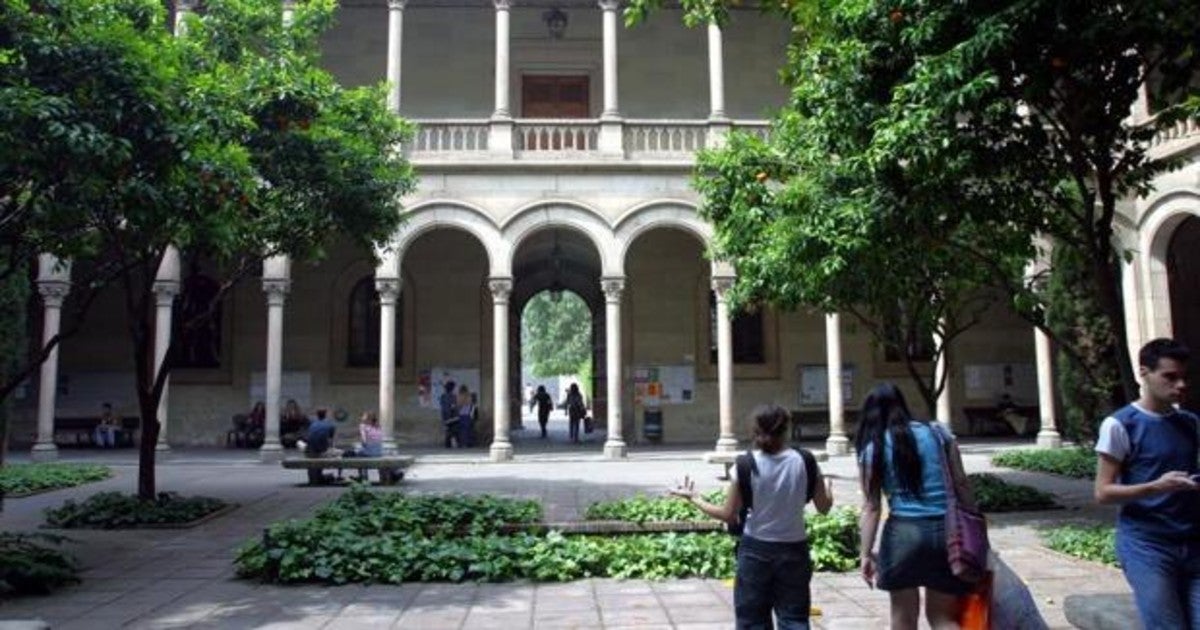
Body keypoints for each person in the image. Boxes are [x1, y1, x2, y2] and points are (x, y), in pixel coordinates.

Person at [670, 404, 833, 629]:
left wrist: (695, 498)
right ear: (786, 429)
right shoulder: (805, 461)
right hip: (794, 550)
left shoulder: (745, 465)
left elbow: (728, 515)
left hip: (755, 550)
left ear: (755, 431)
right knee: (794, 619)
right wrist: (830, 491)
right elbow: (824, 507)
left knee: (752, 621)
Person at [1095, 338, 1200, 629]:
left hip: (1192, 542)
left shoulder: (1189, 422)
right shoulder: (1120, 425)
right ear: (1144, 372)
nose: (1180, 385)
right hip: (1148, 546)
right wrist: (1156, 486)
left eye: (1183, 377)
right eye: (1170, 376)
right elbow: (1103, 492)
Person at [856, 382, 976, 630]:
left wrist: (865, 553)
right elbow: (961, 483)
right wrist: (975, 526)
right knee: (943, 618)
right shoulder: (939, 434)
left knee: (903, 618)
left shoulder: (873, 448)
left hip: (903, 535)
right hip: (947, 532)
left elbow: (871, 507)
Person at [439, 381, 459, 448]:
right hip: (452, 416)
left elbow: (442, 407)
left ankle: (448, 444)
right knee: (453, 431)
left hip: (445, 416)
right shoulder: (453, 397)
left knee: (448, 430)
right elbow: (453, 406)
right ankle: (452, 444)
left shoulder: (443, 396)